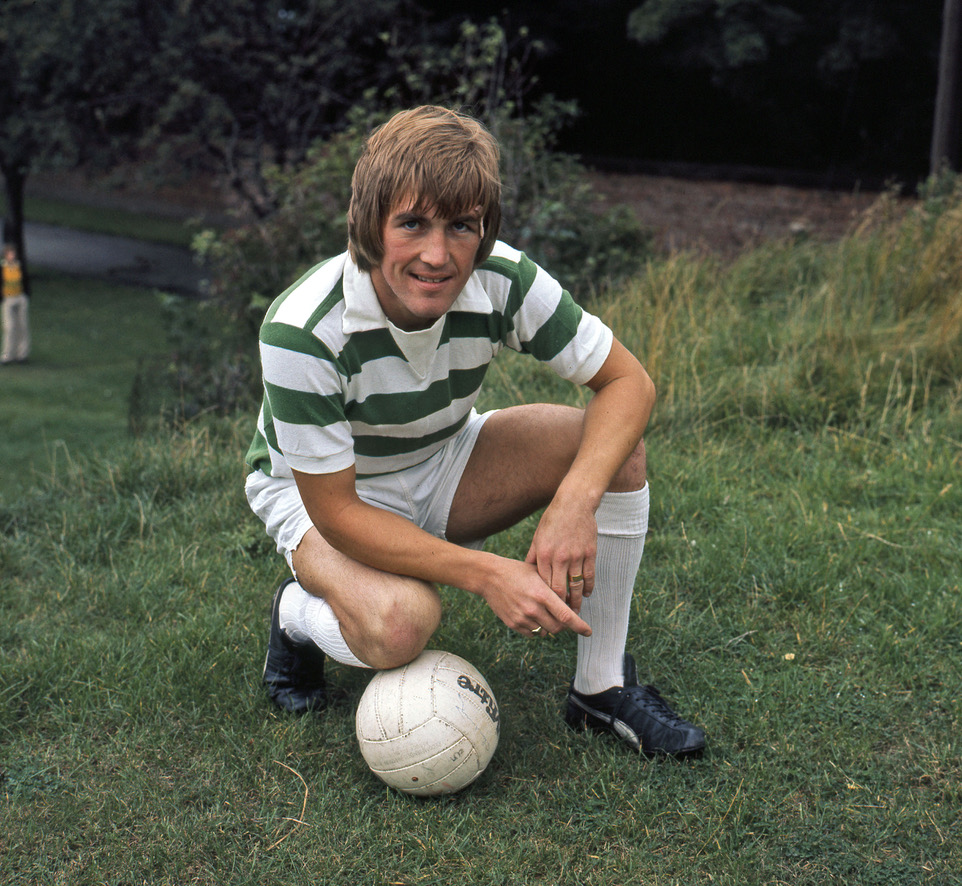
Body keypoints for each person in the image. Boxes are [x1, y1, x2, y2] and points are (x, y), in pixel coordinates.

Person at [245, 105, 705, 759]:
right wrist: (490, 574)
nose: (438, 256)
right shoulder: (302, 329)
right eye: (412, 223)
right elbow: (339, 513)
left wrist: (574, 501)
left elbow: (629, 383)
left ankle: (601, 689)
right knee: (402, 625)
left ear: (484, 230)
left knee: (614, 451)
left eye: (462, 225)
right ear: (369, 224)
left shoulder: (500, 279)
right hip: (319, 497)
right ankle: (296, 616)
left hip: (443, 456)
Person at [1, 243, 30, 365]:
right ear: (5, 255)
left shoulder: (19, 266)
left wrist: (26, 295)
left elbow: (26, 281)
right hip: (8, 299)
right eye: (9, 254)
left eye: (13, 254)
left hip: (20, 298)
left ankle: (22, 354)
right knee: (9, 327)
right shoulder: (3, 268)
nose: (11, 256)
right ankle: (8, 355)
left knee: (22, 326)